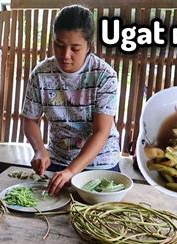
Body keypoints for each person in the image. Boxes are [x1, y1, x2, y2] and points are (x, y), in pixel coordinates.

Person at [22, 5, 121, 196]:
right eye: (59, 45)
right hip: (59, 159)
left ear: (89, 46)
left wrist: (72, 171)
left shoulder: (104, 76)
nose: (65, 55)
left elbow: (101, 131)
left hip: (100, 162)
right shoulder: (41, 74)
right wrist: (40, 150)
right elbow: (30, 120)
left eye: (75, 48)